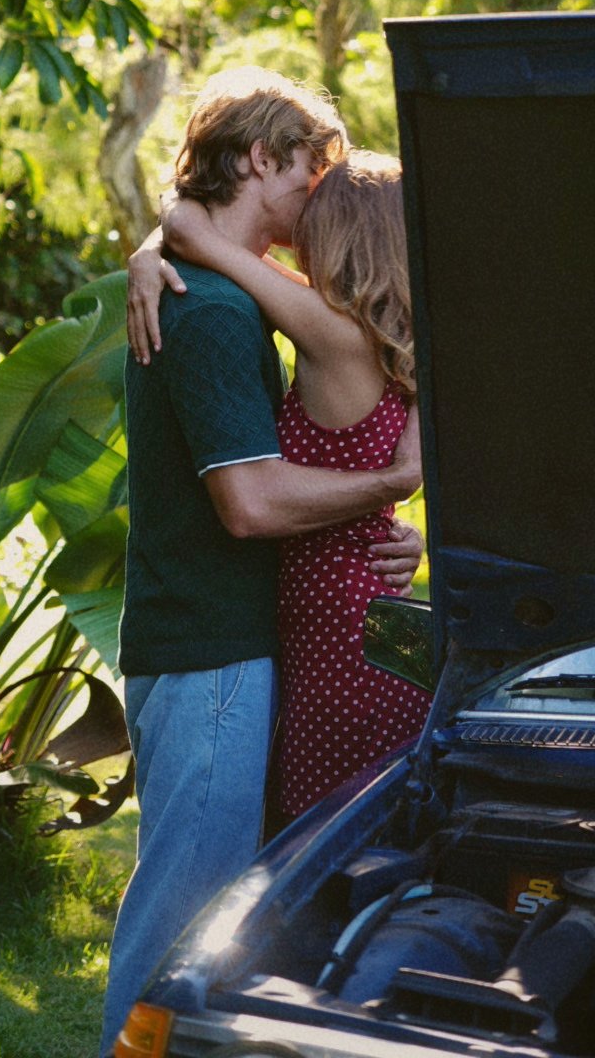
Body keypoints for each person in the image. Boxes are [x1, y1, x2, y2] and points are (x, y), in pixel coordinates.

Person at [99, 69, 423, 1058]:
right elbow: (249, 501)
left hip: (261, 643)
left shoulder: (245, 305)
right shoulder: (216, 310)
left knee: (227, 899)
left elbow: (195, 231)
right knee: (189, 915)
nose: (313, 197)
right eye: (305, 173)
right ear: (258, 159)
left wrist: (165, 239)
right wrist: (390, 485)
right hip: (217, 649)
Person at [159, 150, 431, 821]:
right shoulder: (392, 342)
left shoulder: (332, 334)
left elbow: (194, 233)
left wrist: (154, 248)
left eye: (316, 213)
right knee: (363, 835)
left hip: (341, 637)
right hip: (371, 622)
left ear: (339, 233)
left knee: (316, 836)